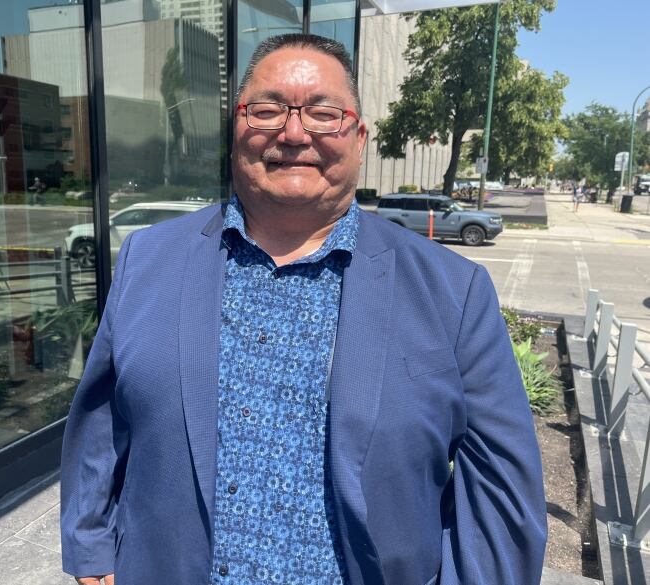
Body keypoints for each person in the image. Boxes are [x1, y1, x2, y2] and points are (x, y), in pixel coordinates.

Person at [60, 34, 546, 585]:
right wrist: (90, 544)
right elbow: (101, 421)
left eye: (324, 113)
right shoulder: (148, 260)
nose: (293, 133)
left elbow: (501, 496)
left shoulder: (453, 292)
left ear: (359, 138)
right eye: (266, 110)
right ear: (236, 128)